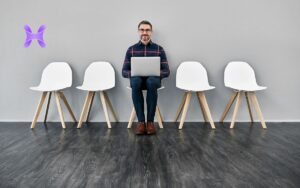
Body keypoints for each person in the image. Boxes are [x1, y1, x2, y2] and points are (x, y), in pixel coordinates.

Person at [122, 20, 170, 135]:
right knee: (135, 81)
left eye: (147, 30)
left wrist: (156, 73)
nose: (145, 32)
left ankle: (150, 123)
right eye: (142, 30)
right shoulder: (131, 49)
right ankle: (141, 123)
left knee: (152, 81)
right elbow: (124, 71)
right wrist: (133, 73)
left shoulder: (159, 49)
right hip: (137, 81)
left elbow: (166, 71)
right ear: (138, 32)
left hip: (153, 81)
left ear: (151, 32)